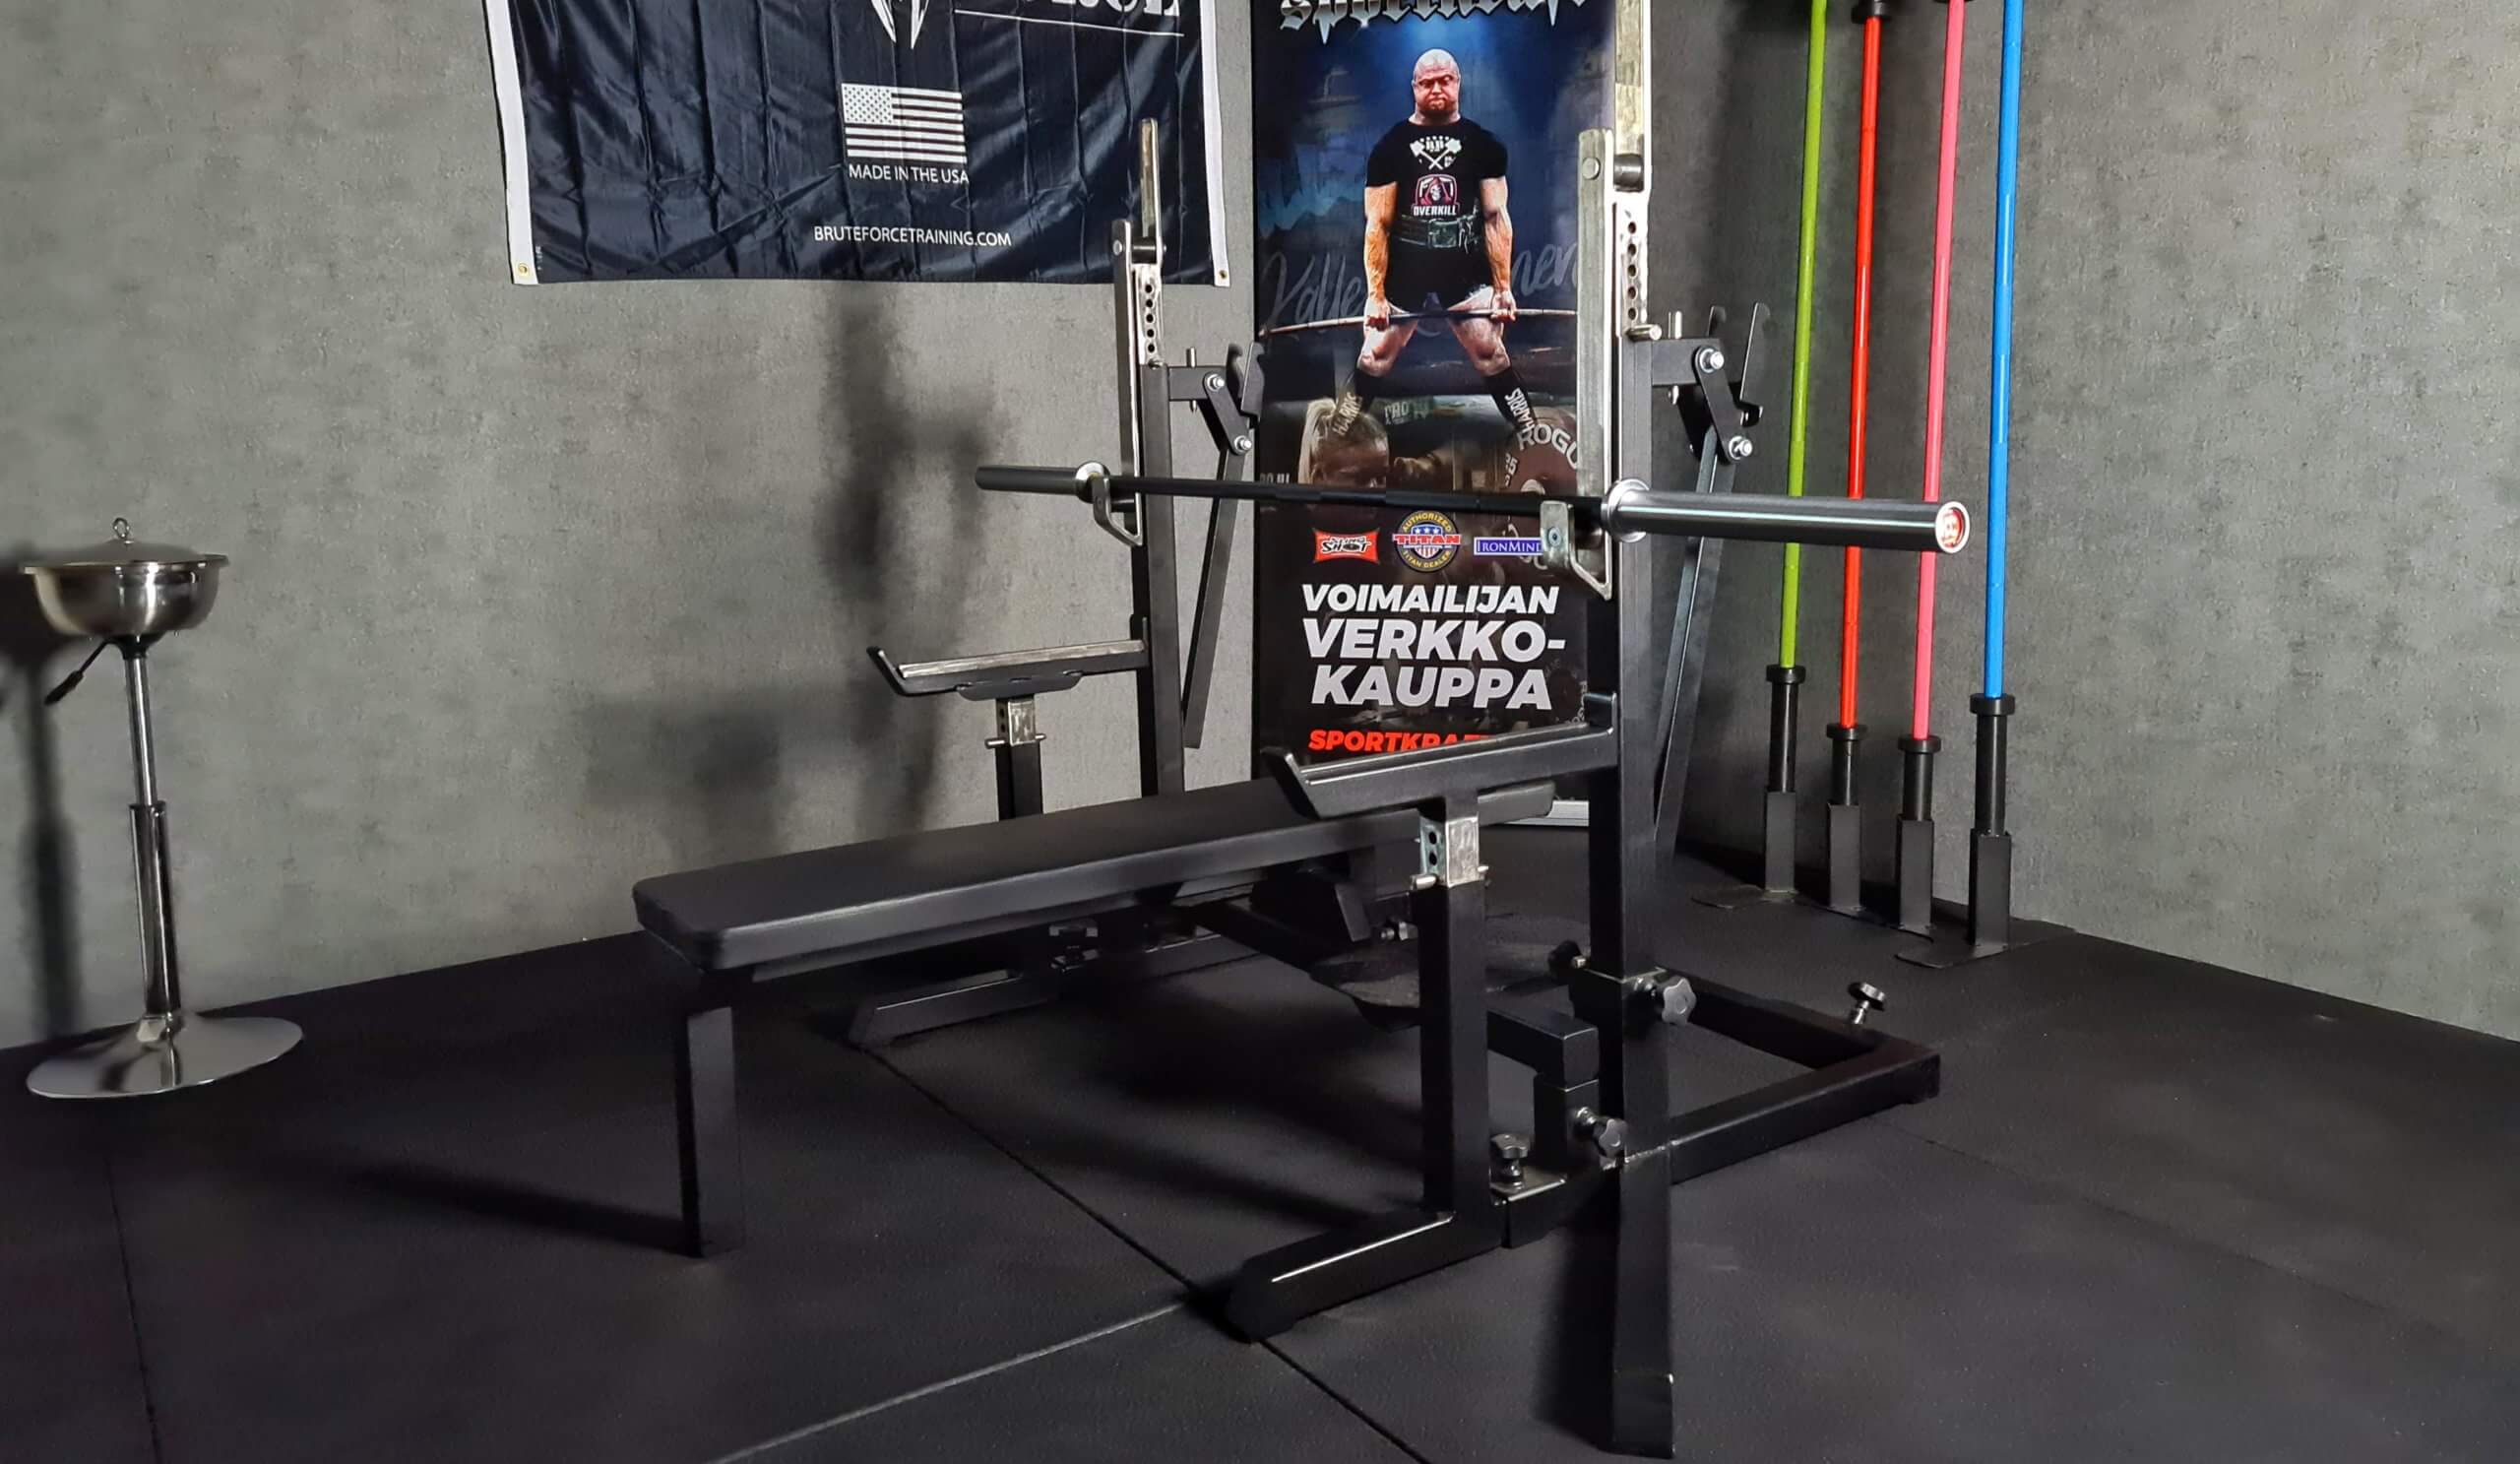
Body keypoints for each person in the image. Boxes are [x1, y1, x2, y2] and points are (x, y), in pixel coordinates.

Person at [1321, 48, 1568, 490]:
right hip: (1407, 269)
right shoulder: (1390, 147)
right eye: (1427, 82)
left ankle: (1533, 435)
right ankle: (1335, 437)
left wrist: (1503, 289)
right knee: (1374, 356)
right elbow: (1377, 225)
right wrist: (1376, 295)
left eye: (1444, 81)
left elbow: (1495, 218)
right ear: (1414, 88)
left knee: (1490, 352)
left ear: (1457, 83)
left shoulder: (1483, 145)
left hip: (1463, 267)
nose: (1436, 89)